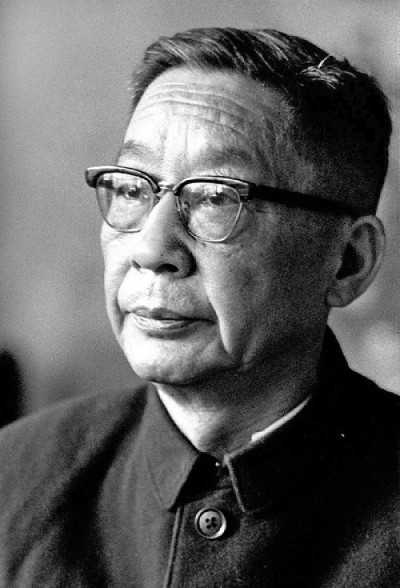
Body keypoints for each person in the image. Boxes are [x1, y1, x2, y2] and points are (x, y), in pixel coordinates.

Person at [0, 27, 398, 587]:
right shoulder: (16, 477)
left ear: (348, 262)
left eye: (216, 196)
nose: (150, 249)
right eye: (133, 189)